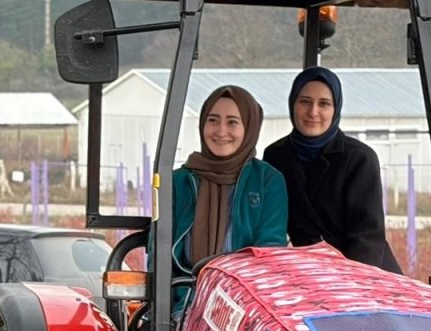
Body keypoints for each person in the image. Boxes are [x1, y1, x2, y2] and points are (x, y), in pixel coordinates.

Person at [263, 67, 402, 273]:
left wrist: (352, 284)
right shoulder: (276, 156)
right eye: (305, 102)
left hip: (363, 273)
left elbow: (367, 235)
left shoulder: (359, 158)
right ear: (293, 104)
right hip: (308, 272)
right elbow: (271, 226)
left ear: (336, 109)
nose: (313, 112)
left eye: (324, 104)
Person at [163, 85, 288, 310]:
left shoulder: (267, 181)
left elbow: (269, 254)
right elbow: (159, 253)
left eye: (232, 122)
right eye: (213, 120)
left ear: (249, 127)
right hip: (185, 305)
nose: (221, 131)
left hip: (245, 306)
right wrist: (167, 311)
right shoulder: (178, 182)